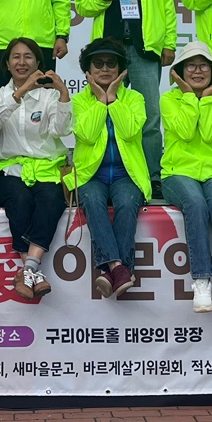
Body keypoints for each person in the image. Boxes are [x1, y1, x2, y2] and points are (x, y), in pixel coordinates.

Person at [75, 0, 176, 182]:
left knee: (150, 117)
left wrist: (169, 43)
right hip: (109, 55)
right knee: (107, 112)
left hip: (144, 49)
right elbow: (82, 5)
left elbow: (167, 5)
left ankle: (152, 176)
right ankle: (109, 174)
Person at [0, 37, 74, 300]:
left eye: (28, 56)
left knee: (51, 199)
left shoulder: (50, 96)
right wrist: (21, 92)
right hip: (8, 168)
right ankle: (33, 270)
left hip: (46, 167)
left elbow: (62, 130)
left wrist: (63, 95)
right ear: (7, 64)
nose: (22, 62)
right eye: (16, 57)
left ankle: (28, 269)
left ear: (38, 62)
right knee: (19, 198)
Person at [160, 39, 212, 313]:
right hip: (177, 173)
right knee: (195, 203)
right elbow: (185, 132)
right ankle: (201, 281)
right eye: (191, 66)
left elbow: (209, 134)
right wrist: (188, 97)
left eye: (203, 66)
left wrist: (206, 99)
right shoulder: (169, 99)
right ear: (180, 72)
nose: (197, 71)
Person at [73, 37, 150, 298]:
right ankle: (119, 268)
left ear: (121, 69)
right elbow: (86, 135)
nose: (105, 68)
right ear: (88, 70)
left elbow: (129, 132)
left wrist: (113, 100)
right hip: (91, 175)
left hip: (126, 174)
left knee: (127, 203)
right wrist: (99, 101)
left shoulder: (135, 98)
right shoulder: (79, 101)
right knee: (93, 200)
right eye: (98, 63)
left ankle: (109, 271)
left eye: (111, 63)